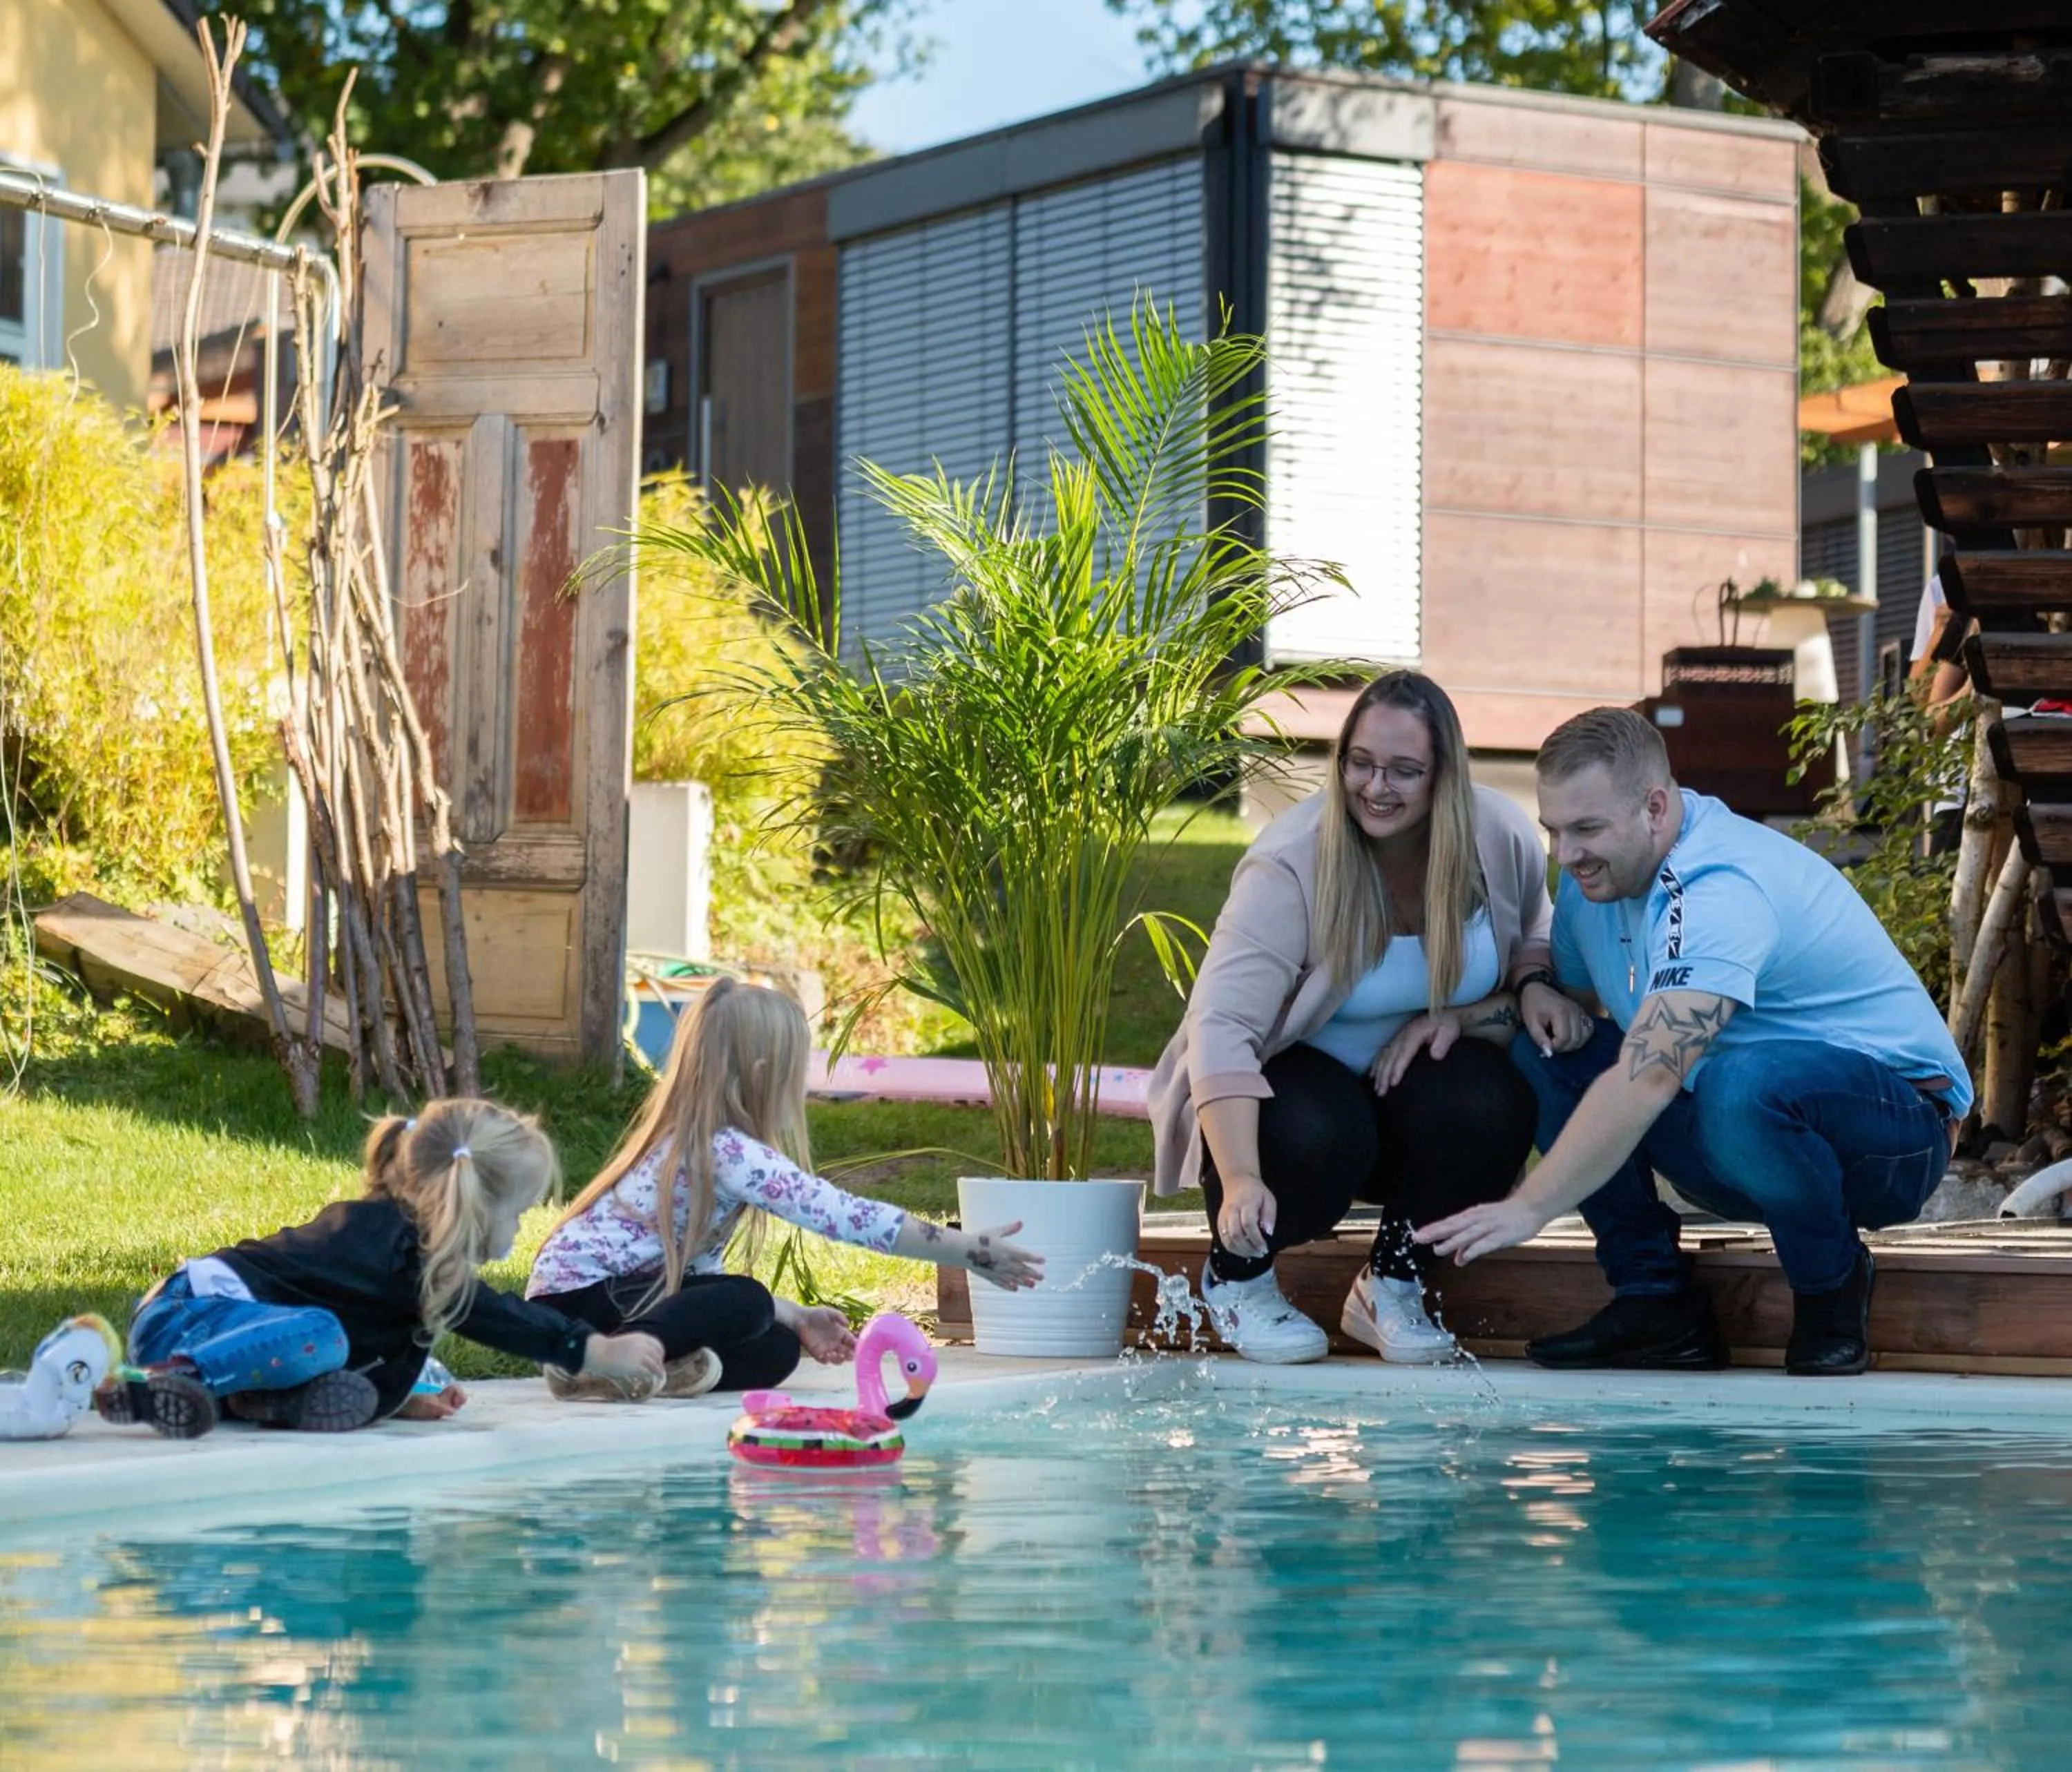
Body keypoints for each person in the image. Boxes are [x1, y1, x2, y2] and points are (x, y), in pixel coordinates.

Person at [1418, 706, 1970, 1377]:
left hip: (1895, 1135)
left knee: (1741, 1085)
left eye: (1587, 829)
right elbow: (1569, 1005)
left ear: (1655, 807)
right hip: (1738, 1136)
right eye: (1555, 831)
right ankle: (1655, 1302)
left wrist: (1532, 1205)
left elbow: (1650, 1071)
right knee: (1548, 1049)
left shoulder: (1722, 885)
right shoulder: (1597, 883)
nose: (1567, 855)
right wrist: (1482, 1010)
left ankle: (1831, 1290)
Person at [1147, 670, 1590, 1365]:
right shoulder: (1293, 862)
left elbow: (1536, 931)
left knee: (1492, 1098)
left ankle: (1392, 1283)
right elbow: (1221, 1026)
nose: (1376, 788)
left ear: (1445, 776)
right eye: (1360, 763)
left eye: (1404, 771)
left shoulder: (1495, 834)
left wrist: (1512, 995)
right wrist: (1238, 1176)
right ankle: (1237, 1280)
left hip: (1413, 1098)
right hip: (1293, 1093)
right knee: (1322, 1128)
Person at [526, 979, 1043, 1398]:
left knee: (776, 1347)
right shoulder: (725, 1150)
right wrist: (967, 1250)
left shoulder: (701, 1145)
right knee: (747, 1300)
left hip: (613, 1305)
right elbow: (848, 1217)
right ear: (764, 1075)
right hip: (578, 1307)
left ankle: (640, 1373)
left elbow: (693, 1279)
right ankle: (611, 1364)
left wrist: (797, 1317)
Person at [93, 1101, 667, 1438]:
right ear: (474, 1205)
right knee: (320, 1334)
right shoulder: (391, 1245)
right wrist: (591, 1350)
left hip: (235, 1336)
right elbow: (489, 1315)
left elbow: (378, 1333)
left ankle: (263, 1401)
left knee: (350, 1352)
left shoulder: (405, 1256)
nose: (518, 1230)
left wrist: (401, 1393)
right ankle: (167, 1384)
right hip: (185, 1319)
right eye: (515, 1214)